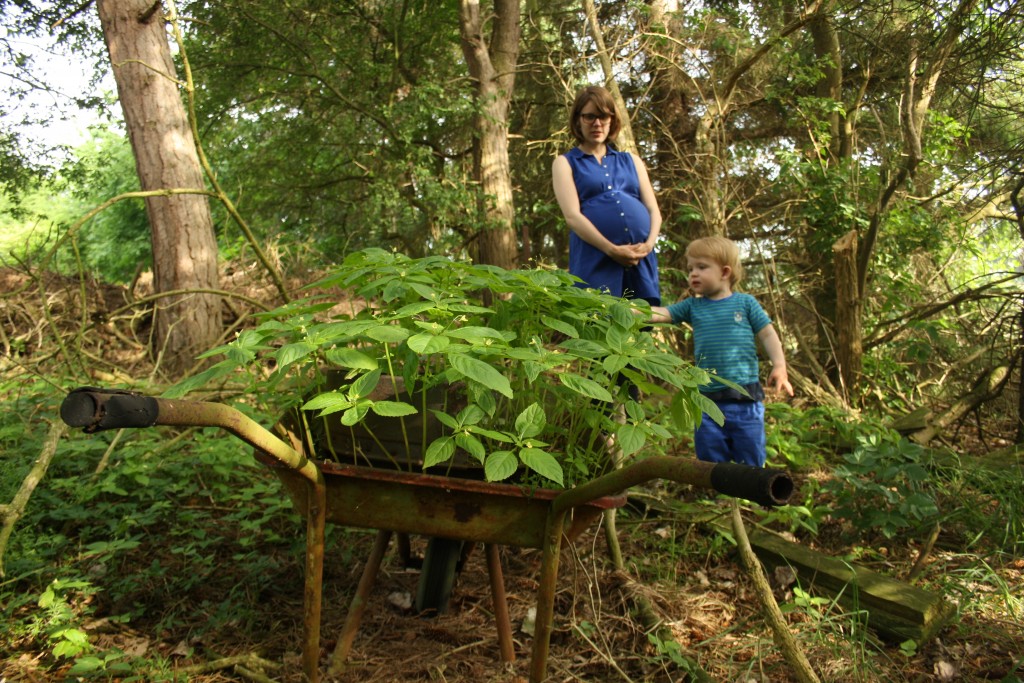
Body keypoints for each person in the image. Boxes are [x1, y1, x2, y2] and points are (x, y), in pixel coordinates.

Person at [649, 236, 794, 467]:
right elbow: (663, 314)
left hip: (745, 398)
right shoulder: (693, 306)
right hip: (707, 399)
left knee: (751, 455)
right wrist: (631, 309)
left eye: (701, 267)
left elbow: (767, 333)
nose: (693, 274)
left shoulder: (745, 304)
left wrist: (779, 366)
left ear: (725, 272)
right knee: (709, 454)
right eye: (690, 268)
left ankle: (752, 494)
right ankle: (718, 495)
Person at [552, 85, 662, 306]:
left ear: (612, 119)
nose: (597, 124)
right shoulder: (565, 163)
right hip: (595, 259)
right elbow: (573, 216)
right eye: (589, 117)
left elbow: (654, 211)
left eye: (603, 116)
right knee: (597, 324)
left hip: (640, 260)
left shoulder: (632, 161)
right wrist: (612, 250)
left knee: (640, 326)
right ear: (578, 120)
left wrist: (648, 245)